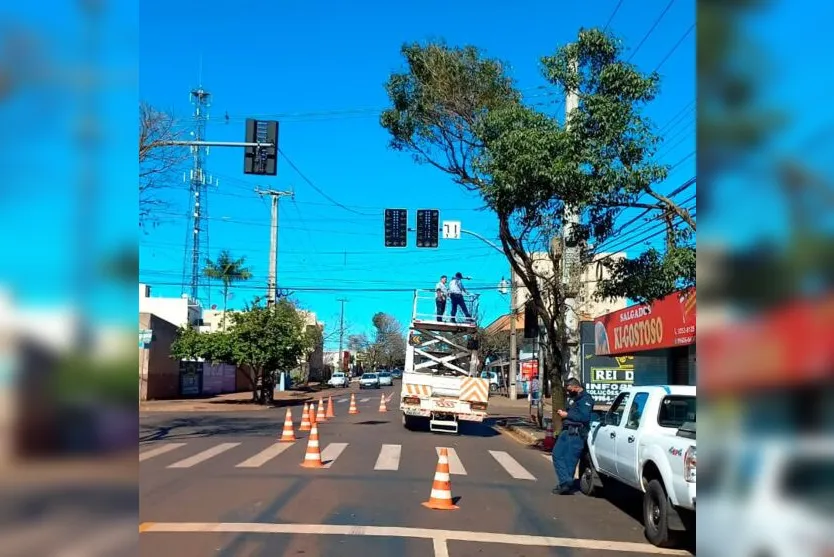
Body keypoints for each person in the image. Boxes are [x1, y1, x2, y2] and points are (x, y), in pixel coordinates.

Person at [551, 378, 595, 495]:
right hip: (566, 430)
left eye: (569, 389)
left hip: (576, 433)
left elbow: (584, 417)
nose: (568, 392)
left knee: (570, 460)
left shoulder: (586, 399)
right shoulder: (573, 398)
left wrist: (567, 414)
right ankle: (566, 481)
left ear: (575, 387)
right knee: (557, 454)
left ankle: (565, 485)